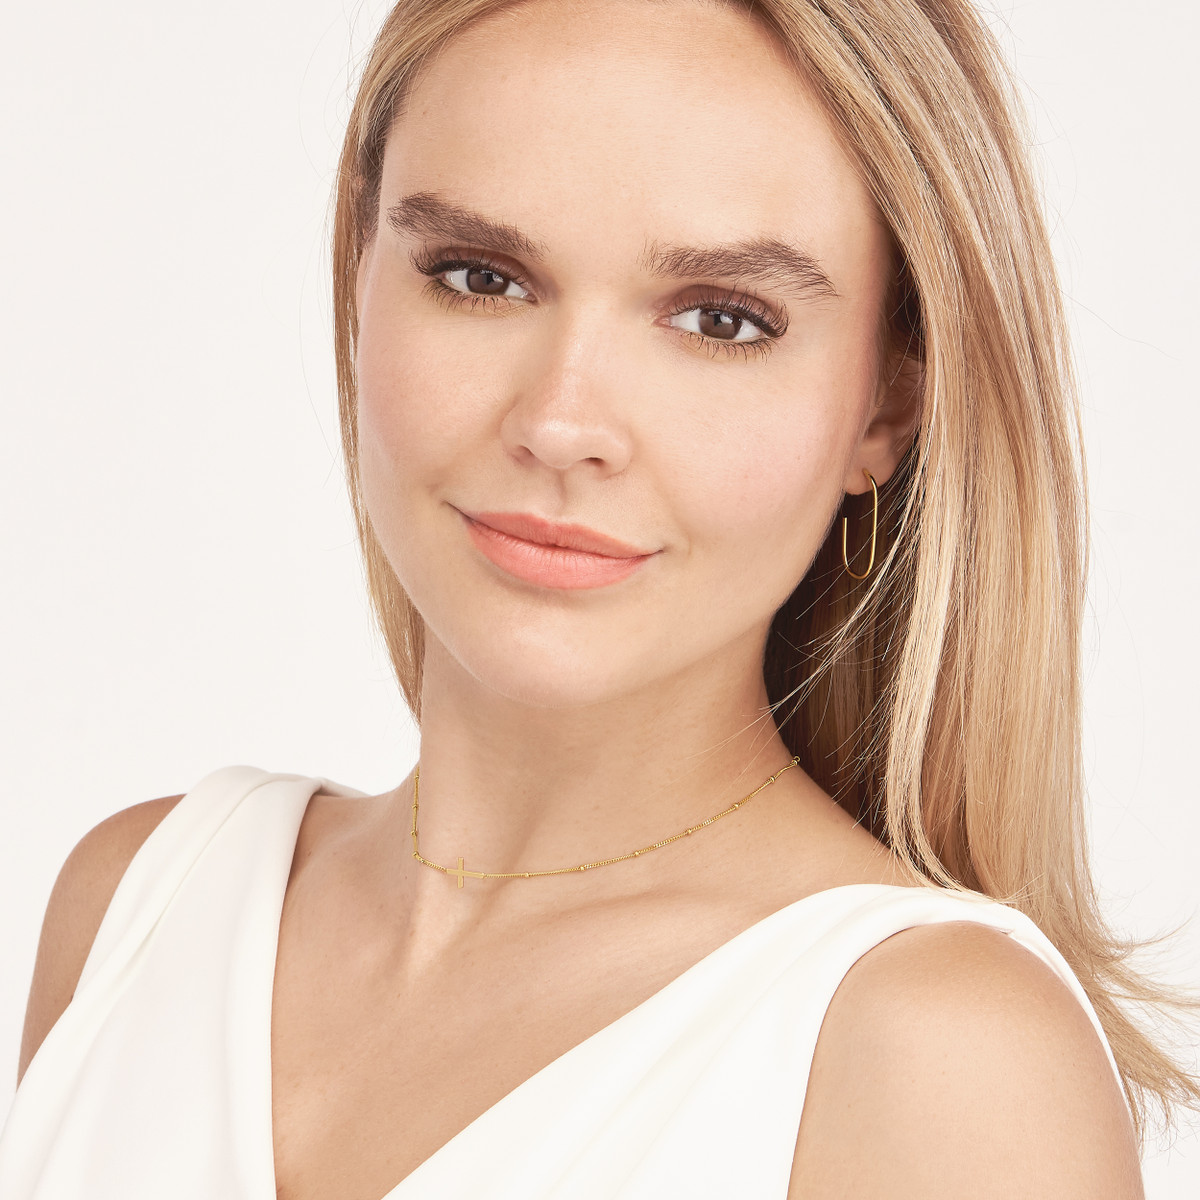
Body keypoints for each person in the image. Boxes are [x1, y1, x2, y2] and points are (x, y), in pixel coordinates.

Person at [1, 0, 1196, 1195]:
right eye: (480, 277)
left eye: (721, 320)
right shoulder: (138, 910)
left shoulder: (936, 1057)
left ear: (887, 403)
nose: (561, 421)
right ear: (360, 277)